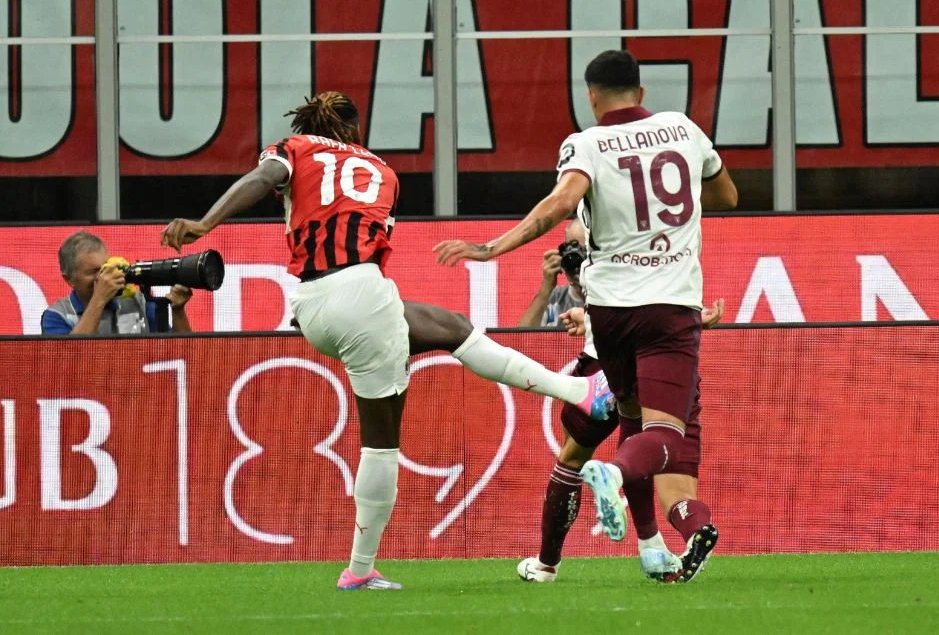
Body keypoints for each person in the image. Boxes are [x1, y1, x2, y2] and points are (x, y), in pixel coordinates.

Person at [160, 91, 615, 592]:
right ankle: (358, 570)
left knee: (450, 327)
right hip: (359, 292)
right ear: (355, 132)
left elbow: (263, 180)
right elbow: (363, 246)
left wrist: (205, 223)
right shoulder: (384, 171)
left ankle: (580, 393)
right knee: (381, 444)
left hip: (313, 301)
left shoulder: (291, 148)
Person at [434, 49, 738, 582]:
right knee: (667, 436)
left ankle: (620, 552)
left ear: (591, 96)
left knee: (631, 424)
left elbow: (558, 203)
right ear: (642, 93)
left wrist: (489, 248)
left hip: (609, 317)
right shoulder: (684, 129)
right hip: (668, 307)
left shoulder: (586, 144)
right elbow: (728, 195)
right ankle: (612, 476)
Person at [517, 218, 726, 584]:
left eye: (579, 248)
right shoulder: (660, 234)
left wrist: (589, 315)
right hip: (669, 363)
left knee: (572, 458)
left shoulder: (601, 218)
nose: (575, 255)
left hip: (605, 364)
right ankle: (681, 536)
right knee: (671, 477)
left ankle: (547, 564)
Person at [42, 231, 193, 335]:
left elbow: (180, 352)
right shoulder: (56, 316)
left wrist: (178, 311)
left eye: (105, 267)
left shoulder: (138, 301)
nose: (103, 277)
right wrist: (99, 299)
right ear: (69, 279)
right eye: (93, 272)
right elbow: (70, 360)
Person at [517, 220, 586, 327]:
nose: (578, 261)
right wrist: (546, 288)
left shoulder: (615, 296)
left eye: (585, 251)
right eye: (573, 251)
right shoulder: (554, 298)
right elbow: (521, 338)